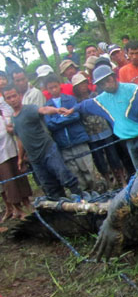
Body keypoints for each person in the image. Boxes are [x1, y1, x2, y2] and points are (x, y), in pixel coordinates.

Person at [68, 65, 138, 170]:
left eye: (108, 80)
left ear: (113, 77)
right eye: (102, 84)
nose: (106, 85)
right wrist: (73, 109)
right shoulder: (102, 99)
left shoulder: (130, 89)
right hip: (129, 141)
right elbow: (86, 105)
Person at [3, 84, 82, 200]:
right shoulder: (14, 119)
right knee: (49, 185)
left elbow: (43, 110)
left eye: (14, 96)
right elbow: (20, 138)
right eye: (9, 98)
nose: (12, 99)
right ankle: (62, 209)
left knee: (64, 174)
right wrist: (20, 158)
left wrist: (56, 110)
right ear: (5, 101)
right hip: (34, 158)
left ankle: (80, 198)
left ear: (19, 96)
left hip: (47, 149)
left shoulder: (29, 109)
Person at [43, 74, 103, 192]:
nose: (54, 89)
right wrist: (66, 117)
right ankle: (84, 196)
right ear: (47, 89)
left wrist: (59, 120)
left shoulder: (70, 99)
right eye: (51, 88)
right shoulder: (47, 106)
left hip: (78, 139)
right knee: (75, 173)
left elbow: (76, 115)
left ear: (59, 85)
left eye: (55, 86)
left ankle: (97, 191)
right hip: (63, 144)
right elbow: (49, 124)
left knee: (88, 169)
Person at [71, 72, 127, 187]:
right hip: (91, 134)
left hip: (105, 130)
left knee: (113, 155)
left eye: (83, 83)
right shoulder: (76, 102)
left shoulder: (96, 95)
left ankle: (121, 179)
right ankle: (109, 182)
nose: (82, 87)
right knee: (99, 159)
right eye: (79, 85)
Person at [0, 93, 31, 222]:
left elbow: (10, 116)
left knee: (20, 176)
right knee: (9, 182)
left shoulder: (3, 107)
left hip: (12, 148)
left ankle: (27, 203)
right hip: (1, 156)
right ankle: (18, 209)